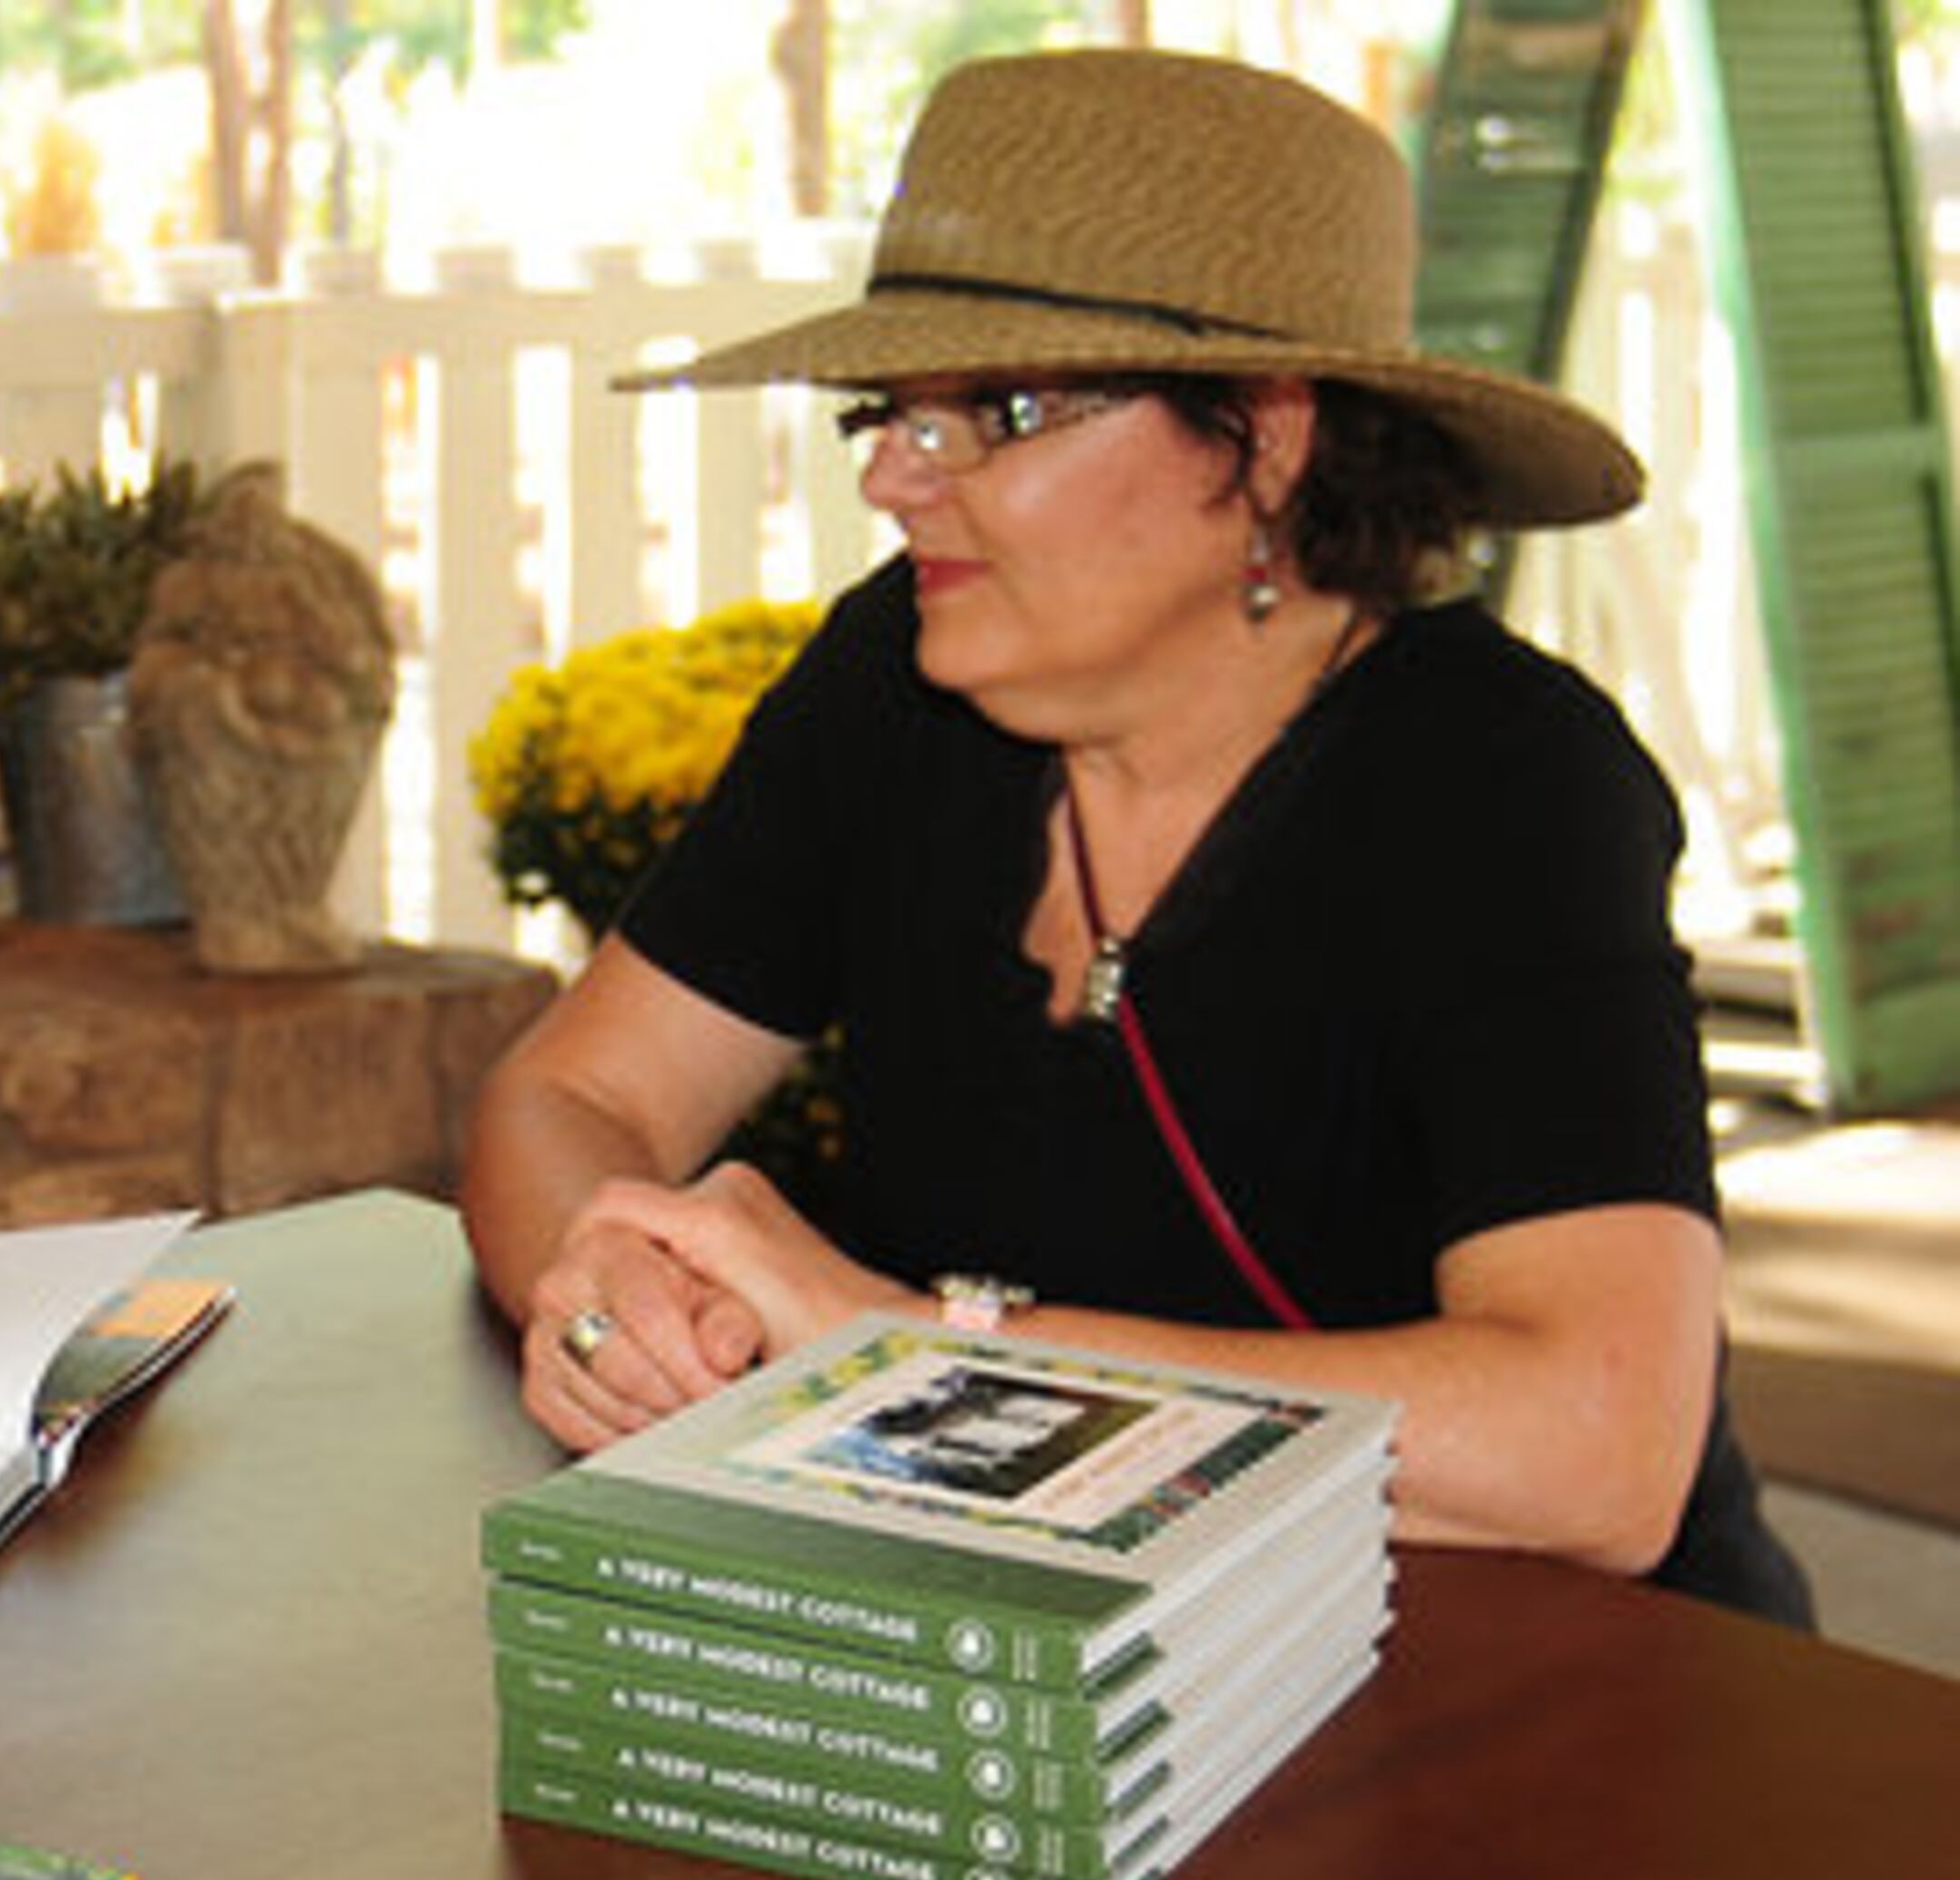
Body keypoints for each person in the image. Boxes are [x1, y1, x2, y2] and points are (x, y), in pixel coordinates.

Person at [459, 47, 1809, 1624]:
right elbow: (571, 1091)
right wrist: (613, 1286)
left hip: (1557, 1711)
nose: (896, 476)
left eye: (998, 413)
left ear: (1267, 440)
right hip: (1067, 1689)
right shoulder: (894, 689)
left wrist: (910, 1359)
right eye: (889, 417)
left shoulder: (1504, 782)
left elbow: (1599, 1452)